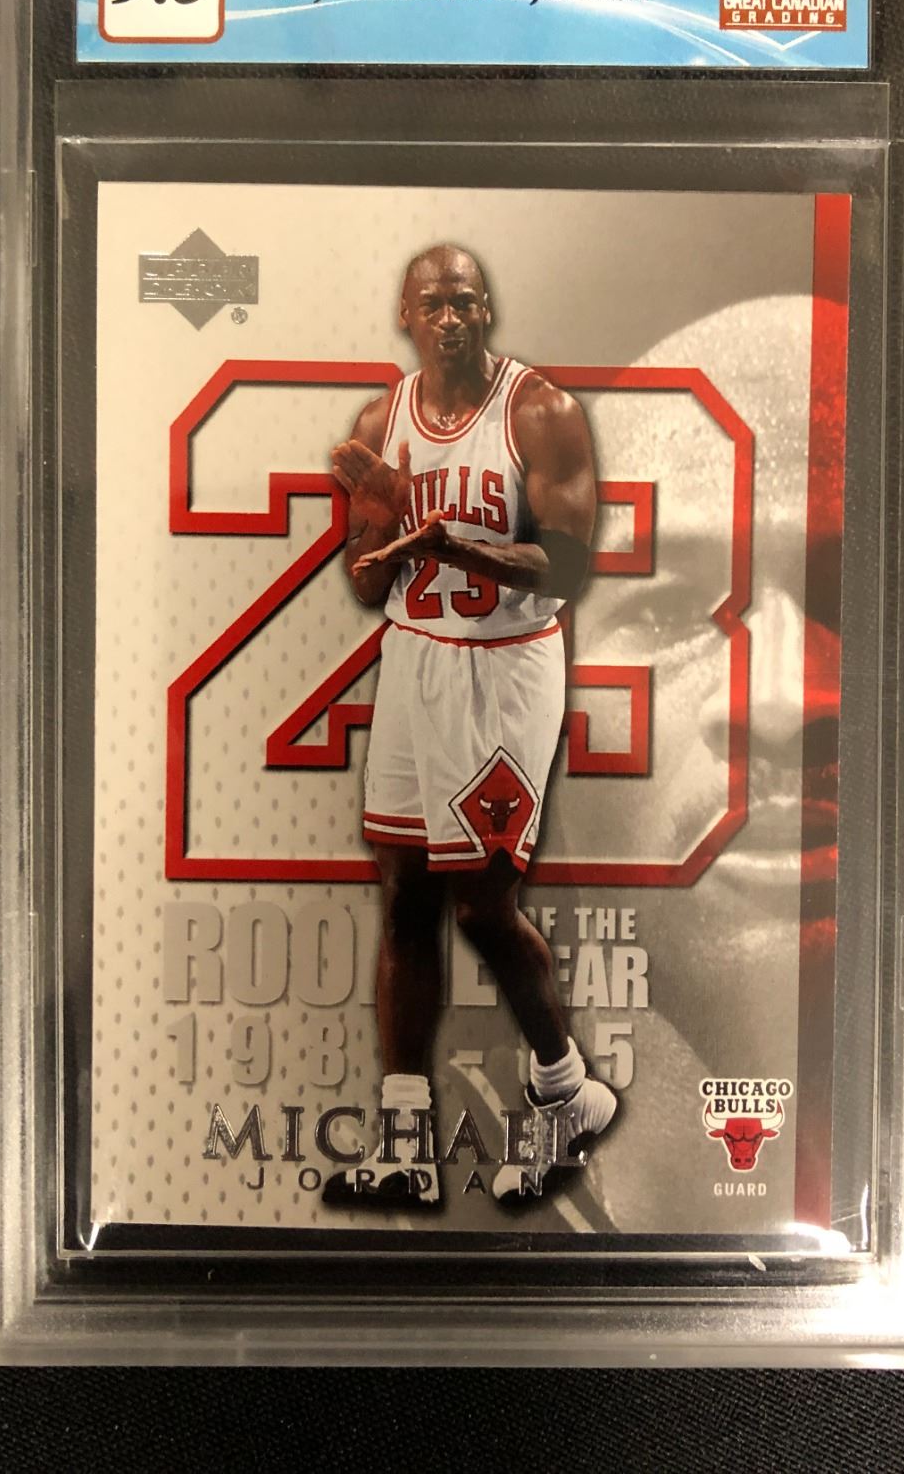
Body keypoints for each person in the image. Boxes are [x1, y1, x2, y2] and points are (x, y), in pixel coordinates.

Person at [324, 242, 617, 1208]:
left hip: (507, 668)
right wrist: (379, 521)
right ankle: (407, 1141)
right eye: (432, 304)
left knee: (482, 906)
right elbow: (368, 584)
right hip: (415, 662)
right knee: (406, 894)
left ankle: (567, 1092)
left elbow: (568, 566)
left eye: (464, 302)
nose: (448, 318)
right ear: (405, 318)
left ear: (487, 310)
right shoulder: (382, 421)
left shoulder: (540, 412)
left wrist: (452, 538)